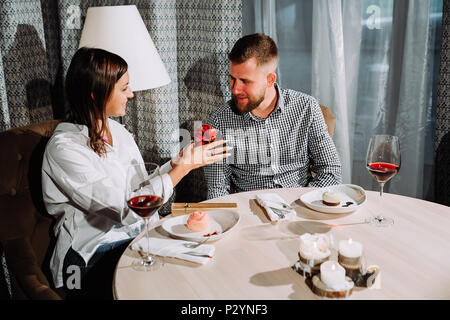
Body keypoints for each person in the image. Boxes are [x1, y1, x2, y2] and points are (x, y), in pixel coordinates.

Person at [41, 47, 229, 299]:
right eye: (124, 88)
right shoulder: (64, 149)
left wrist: (180, 162)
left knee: (204, 267)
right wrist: (181, 171)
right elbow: (127, 210)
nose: (131, 94)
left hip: (138, 237)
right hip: (92, 252)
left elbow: (139, 190)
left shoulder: (118, 132)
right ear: (96, 94)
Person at [204, 33, 341, 199]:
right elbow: (216, 189)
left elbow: (331, 171)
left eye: (245, 81)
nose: (235, 89)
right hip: (250, 211)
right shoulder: (217, 120)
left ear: (270, 79)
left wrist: (302, 204)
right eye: (232, 79)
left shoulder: (307, 107)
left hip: (301, 206)